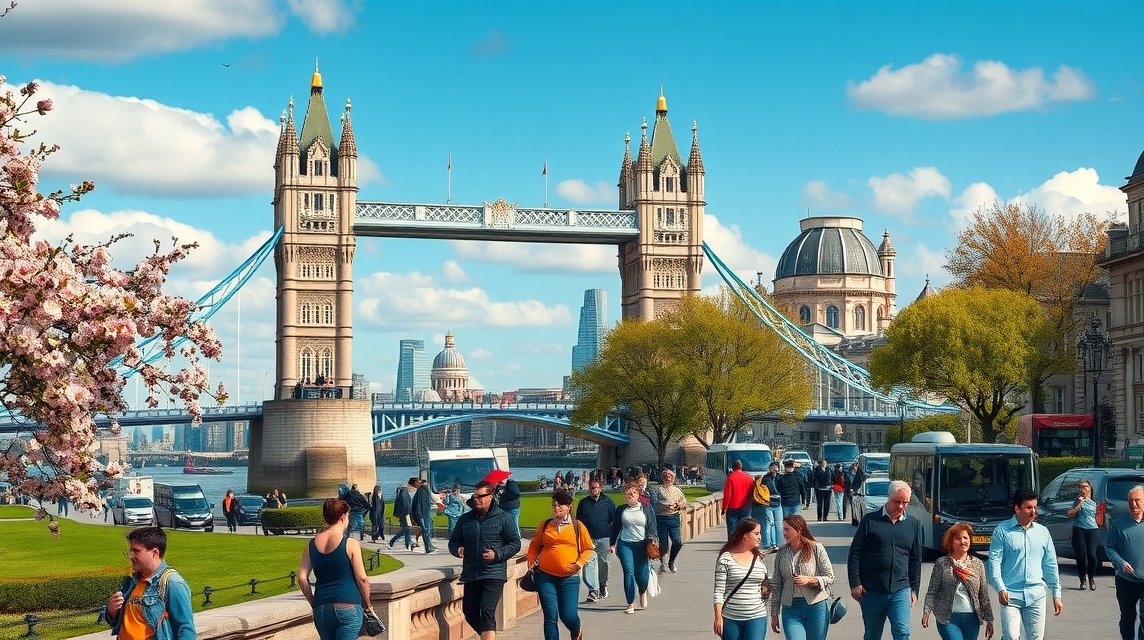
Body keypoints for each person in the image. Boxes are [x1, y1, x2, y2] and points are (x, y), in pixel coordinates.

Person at [847, 479, 923, 640]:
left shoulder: (913, 524)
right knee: (872, 635)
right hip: (872, 591)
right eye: (898, 502)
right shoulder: (870, 521)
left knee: (902, 631)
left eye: (906, 502)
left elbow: (915, 559)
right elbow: (855, 553)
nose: (901, 506)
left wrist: (914, 589)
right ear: (888, 499)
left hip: (901, 589)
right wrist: (855, 583)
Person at [986, 488, 1063, 640]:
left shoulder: (1043, 532)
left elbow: (1050, 564)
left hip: (1036, 595)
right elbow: (994, 562)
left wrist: (1056, 593)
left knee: (1036, 638)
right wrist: (1000, 587)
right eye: (1028, 507)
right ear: (1017, 508)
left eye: (1035, 507)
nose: (1033, 511)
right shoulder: (1002, 531)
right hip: (1010, 595)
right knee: (1011, 636)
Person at [449, 480, 521, 640]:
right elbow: (453, 541)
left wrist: (497, 554)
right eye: (475, 496)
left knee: (486, 611)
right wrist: (458, 549)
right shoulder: (465, 519)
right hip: (471, 573)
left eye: (481, 496)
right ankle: (488, 636)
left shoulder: (504, 518)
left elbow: (515, 543)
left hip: (493, 573)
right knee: (469, 612)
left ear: (491, 496)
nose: (477, 500)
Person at [298, 498, 373, 640]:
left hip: (322, 608)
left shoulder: (311, 544)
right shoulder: (350, 543)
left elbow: (302, 577)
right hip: (348, 606)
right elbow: (362, 579)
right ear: (343, 517)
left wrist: (314, 602)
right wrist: (368, 604)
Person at [526, 490, 594, 640]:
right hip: (545, 576)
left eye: (560, 505)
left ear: (569, 506)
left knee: (568, 615)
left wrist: (579, 563)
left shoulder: (577, 526)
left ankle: (576, 629)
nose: (556, 508)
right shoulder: (545, 525)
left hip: (569, 578)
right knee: (550, 615)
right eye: (554, 505)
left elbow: (589, 548)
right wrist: (531, 561)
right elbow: (535, 545)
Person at [106, 527, 195, 640]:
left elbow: (186, 629)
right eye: (130, 551)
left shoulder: (173, 583)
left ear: (155, 553)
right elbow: (123, 621)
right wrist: (111, 610)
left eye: (136, 551)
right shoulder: (132, 580)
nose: (131, 556)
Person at [921, 522, 993, 640]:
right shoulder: (942, 563)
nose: (963, 541)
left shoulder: (978, 564)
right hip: (947, 618)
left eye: (965, 538)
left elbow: (983, 594)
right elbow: (932, 590)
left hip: (972, 618)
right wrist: (926, 611)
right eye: (958, 538)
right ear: (951, 542)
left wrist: (989, 620)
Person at [771, 514, 834, 640]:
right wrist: (774, 614)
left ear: (798, 529)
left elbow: (829, 577)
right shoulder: (782, 552)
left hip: (816, 606)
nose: (784, 533)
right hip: (791, 608)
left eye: (787, 529)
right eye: (783, 529)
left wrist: (811, 580)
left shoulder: (816, 547)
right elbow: (777, 584)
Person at [713, 517, 771, 640]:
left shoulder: (760, 557)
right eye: (756, 533)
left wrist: (767, 588)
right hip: (731, 617)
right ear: (744, 535)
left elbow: (764, 583)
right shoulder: (726, 558)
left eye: (760, 533)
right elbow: (718, 591)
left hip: (757, 615)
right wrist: (718, 617)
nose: (760, 537)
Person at [1103, 485, 1144, 640]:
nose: (1134, 504)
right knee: (1128, 617)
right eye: (1130, 501)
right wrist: (1120, 562)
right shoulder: (1119, 524)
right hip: (1126, 580)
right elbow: (1110, 547)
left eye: (1138, 500)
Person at [610, 482, 659, 614]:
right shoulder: (621, 510)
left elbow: (652, 525)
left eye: (632, 493)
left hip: (642, 544)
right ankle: (630, 602)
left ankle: (642, 590)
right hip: (625, 544)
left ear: (638, 494)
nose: (630, 496)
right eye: (627, 494)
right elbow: (615, 528)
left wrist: (654, 540)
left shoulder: (646, 508)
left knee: (642, 575)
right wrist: (612, 543)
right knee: (628, 572)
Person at [576, 478, 616, 603]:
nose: (594, 490)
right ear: (589, 489)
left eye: (596, 488)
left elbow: (614, 520)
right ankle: (593, 590)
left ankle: (603, 584)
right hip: (589, 539)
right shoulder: (583, 503)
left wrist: (613, 541)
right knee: (589, 563)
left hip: (604, 537)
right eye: (592, 488)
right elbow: (578, 522)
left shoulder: (607, 502)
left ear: (600, 488)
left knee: (602, 562)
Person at [652, 468, 687, 573]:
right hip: (661, 518)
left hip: (674, 518)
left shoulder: (677, 490)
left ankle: (671, 561)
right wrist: (668, 505)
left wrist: (679, 504)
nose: (668, 479)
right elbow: (656, 501)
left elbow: (683, 500)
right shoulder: (658, 489)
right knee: (663, 544)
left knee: (677, 542)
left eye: (670, 477)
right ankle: (663, 563)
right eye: (666, 477)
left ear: (673, 478)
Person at [1067, 479, 1100, 590]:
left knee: (1092, 556)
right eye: (1080, 486)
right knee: (1081, 556)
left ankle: (1091, 578)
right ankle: (1082, 580)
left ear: (1090, 488)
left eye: (1085, 486)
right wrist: (1079, 505)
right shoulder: (1077, 501)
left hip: (1093, 529)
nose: (1082, 489)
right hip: (1079, 529)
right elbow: (1070, 514)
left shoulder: (1095, 501)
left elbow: (1099, 516)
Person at [721, 459, 756, 535]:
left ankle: (732, 544)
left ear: (733, 468)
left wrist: (724, 508)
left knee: (732, 529)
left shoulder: (731, 478)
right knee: (744, 529)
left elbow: (727, 495)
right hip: (746, 506)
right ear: (741, 467)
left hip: (733, 507)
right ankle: (743, 544)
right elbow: (753, 493)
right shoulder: (749, 478)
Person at [411, 479, 439, 554]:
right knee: (426, 530)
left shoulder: (422, 491)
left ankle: (429, 545)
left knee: (427, 530)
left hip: (424, 514)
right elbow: (421, 505)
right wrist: (421, 516)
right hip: (423, 514)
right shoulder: (422, 492)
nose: (428, 486)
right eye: (426, 485)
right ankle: (428, 547)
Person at [388, 477, 417, 551]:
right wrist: (408, 515)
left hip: (405, 514)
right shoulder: (404, 493)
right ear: (412, 485)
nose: (414, 489)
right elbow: (405, 505)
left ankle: (408, 544)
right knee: (407, 529)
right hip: (405, 514)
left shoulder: (404, 492)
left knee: (406, 529)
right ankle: (407, 543)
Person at [763, 462, 783, 551]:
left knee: (777, 525)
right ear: (769, 468)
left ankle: (778, 544)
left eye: (775, 469)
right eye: (772, 469)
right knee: (771, 524)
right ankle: (772, 544)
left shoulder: (780, 478)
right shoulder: (766, 478)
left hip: (777, 504)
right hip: (768, 504)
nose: (774, 471)